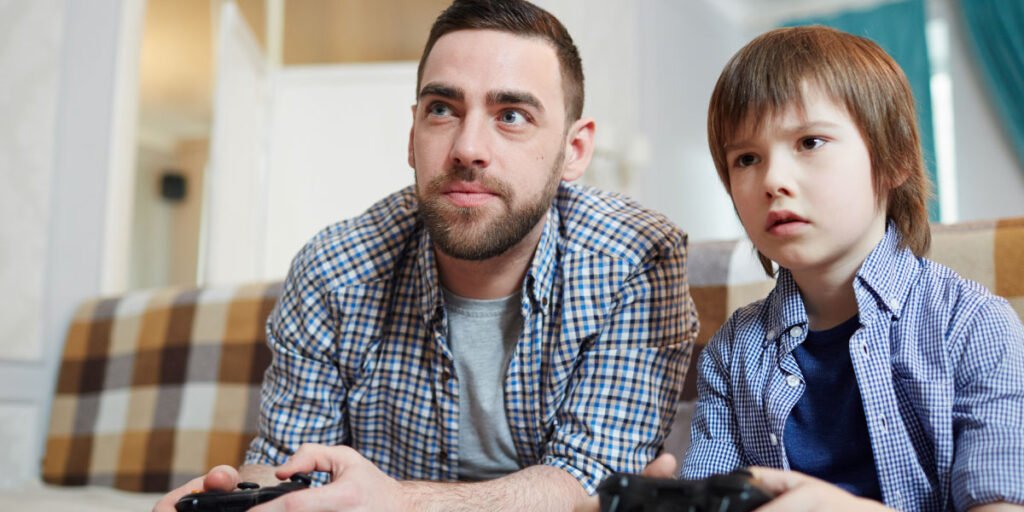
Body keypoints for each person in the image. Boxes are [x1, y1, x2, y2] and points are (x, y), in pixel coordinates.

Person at [154, 1, 698, 511]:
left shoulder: (637, 259)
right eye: (442, 109)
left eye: (511, 115)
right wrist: (248, 494)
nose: (467, 148)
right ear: (412, 135)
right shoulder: (333, 269)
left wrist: (397, 503)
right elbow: (295, 465)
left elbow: (590, 478)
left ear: (573, 151)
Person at [680, 26, 1024, 511]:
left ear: (894, 158)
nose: (773, 180)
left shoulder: (974, 326)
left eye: (810, 142)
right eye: (747, 158)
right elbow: (710, 496)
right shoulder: (731, 354)